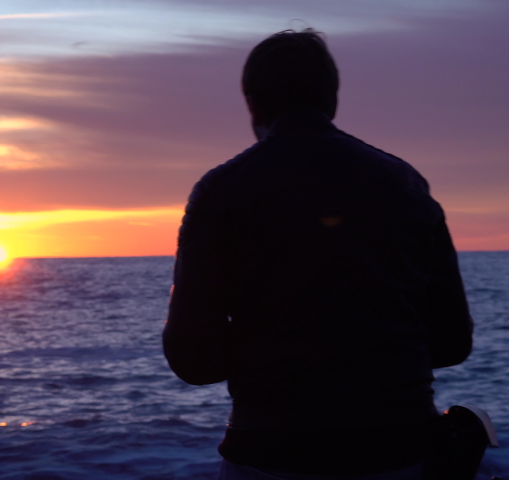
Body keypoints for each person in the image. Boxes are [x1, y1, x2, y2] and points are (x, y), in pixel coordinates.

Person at [163, 29, 475, 479]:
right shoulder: (405, 184)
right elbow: (452, 342)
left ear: (253, 102)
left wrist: (271, 353)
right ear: (332, 98)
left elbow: (191, 359)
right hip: (399, 449)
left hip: (269, 452)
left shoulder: (221, 192)